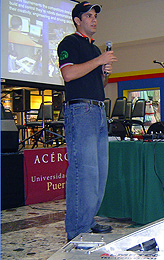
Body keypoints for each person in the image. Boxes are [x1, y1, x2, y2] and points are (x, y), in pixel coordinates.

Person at [57, 1, 118, 241]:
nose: (94, 20)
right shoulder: (69, 43)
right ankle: (76, 229)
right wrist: (98, 61)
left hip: (98, 110)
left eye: (95, 16)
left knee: (99, 172)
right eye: (89, 16)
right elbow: (69, 74)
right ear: (77, 20)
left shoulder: (94, 50)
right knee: (83, 171)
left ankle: (87, 218)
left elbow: (98, 85)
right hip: (80, 111)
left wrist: (103, 74)